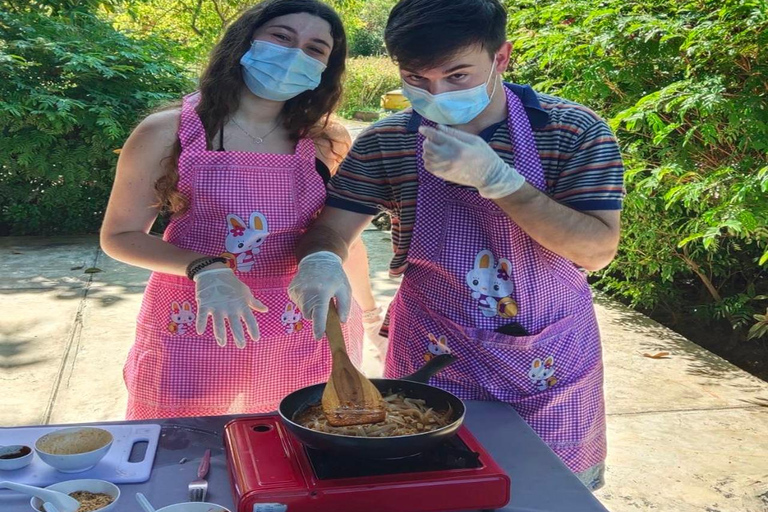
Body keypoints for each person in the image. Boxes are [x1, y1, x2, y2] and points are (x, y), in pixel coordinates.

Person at [288, 0, 625, 490]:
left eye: (457, 76)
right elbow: (332, 228)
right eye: (417, 80)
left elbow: (595, 250)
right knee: (432, 482)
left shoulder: (571, 130)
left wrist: (501, 181)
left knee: (546, 490)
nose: (437, 93)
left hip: (547, 356)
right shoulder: (389, 142)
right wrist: (320, 259)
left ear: (501, 58)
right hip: (432, 354)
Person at [100, 0, 381, 420]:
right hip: (200, 322)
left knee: (300, 453)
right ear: (244, 41)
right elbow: (120, 237)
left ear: (325, 67)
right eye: (282, 37)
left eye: (315, 49)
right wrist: (206, 268)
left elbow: (339, 238)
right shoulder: (170, 132)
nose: (294, 55)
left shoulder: (326, 140)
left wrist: (370, 310)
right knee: (188, 456)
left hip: (305, 332)